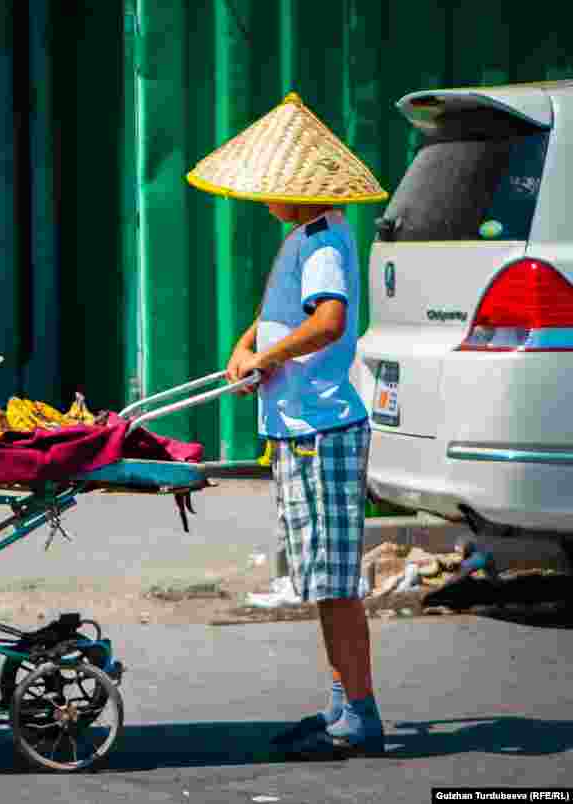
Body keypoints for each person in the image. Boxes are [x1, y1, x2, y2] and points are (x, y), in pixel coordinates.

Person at [186, 92, 389, 757]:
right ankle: (341, 704)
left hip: (322, 430)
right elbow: (273, 315)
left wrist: (268, 356)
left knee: (335, 586)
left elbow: (328, 322)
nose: (264, 195)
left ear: (297, 189)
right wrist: (245, 350)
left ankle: (359, 714)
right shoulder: (300, 239)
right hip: (298, 427)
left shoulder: (326, 242)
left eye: (273, 186)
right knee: (322, 580)